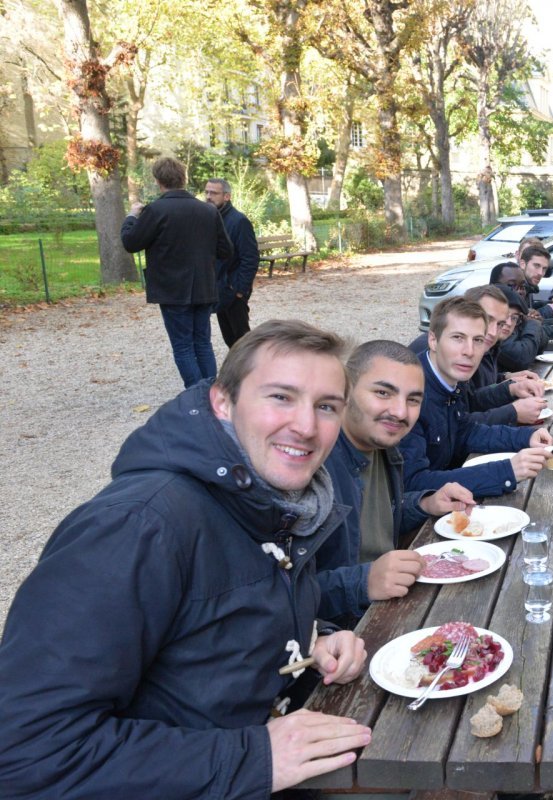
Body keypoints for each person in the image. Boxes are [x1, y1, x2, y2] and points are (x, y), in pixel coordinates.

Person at [0, 320, 373, 798]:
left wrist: (308, 642)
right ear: (223, 400)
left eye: (326, 407)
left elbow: (207, 637)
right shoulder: (137, 527)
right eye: (281, 397)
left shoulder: (276, 504)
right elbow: (28, 753)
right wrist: (254, 758)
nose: (305, 425)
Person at [316, 340, 477, 625]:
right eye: (383, 393)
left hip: (387, 601)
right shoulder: (315, 464)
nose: (400, 412)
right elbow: (279, 597)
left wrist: (425, 503)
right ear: (345, 390)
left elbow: (376, 520)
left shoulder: (386, 448)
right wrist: (363, 581)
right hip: (345, 632)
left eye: (413, 400)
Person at [400, 296, 553, 497]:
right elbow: (413, 483)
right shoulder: (408, 394)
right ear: (433, 340)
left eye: (478, 340)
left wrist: (526, 436)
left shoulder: (452, 376)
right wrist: (506, 471)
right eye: (458, 338)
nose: (469, 351)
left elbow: (465, 432)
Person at [122, 156, 231, 387]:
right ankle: (211, 393)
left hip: (172, 289)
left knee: (183, 346)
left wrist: (132, 216)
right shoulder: (208, 211)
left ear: (158, 181)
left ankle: (197, 396)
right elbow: (226, 251)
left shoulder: (155, 211)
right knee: (202, 343)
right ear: (183, 178)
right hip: (203, 286)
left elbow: (131, 243)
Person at [410, 286, 547, 426]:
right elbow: (458, 425)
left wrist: (508, 385)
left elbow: (469, 400)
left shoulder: (483, 346)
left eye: (500, 323)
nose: (494, 332)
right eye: (488, 319)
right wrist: (512, 413)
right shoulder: (434, 353)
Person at [204, 177, 259, 347]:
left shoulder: (239, 221)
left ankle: (252, 372)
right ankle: (240, 372)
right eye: (206, 192)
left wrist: (239, 290)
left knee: (242, 340)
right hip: (219, 289)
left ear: (226, 196)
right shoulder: (211, 218)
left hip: (233, 289)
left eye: (214, 193)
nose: (208, 196)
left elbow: (250, 258)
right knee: (230, 340)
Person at [520, 244, 553, 341]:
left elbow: (529, 318)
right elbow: (520, 329)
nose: (540, 273)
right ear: (523, 264)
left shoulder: (528, 285)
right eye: (536, 266)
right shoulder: (516, 288)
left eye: (544, 268)